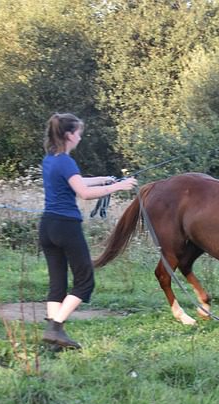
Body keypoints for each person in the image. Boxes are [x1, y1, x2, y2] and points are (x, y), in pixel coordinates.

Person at [39, 113, 137, 349]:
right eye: (79, 133)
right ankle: (55, 328)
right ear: (69, 135)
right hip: (66, 227)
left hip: (48, 226)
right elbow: (83, 192)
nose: (80, 138)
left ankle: (55, 340)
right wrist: (119, 186)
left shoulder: (51, 159)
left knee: (57, 283)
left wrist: (104, 179)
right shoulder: (66, 161)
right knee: (85, 282)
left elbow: (75, 182)